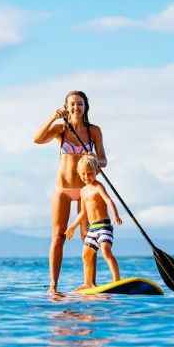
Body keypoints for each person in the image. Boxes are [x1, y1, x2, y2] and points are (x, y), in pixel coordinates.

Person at [33, 91, 107, 293]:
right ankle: (53, 287)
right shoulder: (61, 129)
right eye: (72, 104)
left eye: (80, 104)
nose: (76, 108)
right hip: (63, 190)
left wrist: (94, 160)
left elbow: (104, 161)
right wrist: (52, 118)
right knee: (58, 236)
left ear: (85, 107)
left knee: (88, 236)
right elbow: (37, 140)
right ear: (66, 107)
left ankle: (90, 283)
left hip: (86, 190)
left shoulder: (94, 131)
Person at [65, 154, 122, 289]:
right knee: (86, 255)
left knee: (106, 250)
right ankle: (88, 283)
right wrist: (72, 227)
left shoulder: (98, 187)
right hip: (92, 229)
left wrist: (115, 215)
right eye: (83, 174)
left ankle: (116, 280)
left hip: (103, 226)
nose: (86, 177)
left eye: (89, 173)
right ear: (79, 173)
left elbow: (108, 200)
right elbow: (83, 213)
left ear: (97, 171)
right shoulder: (83, 191)